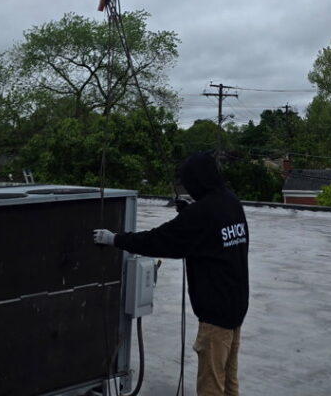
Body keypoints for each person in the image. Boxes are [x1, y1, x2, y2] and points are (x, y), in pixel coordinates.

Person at [93, 151, 249, 396]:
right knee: (229, 380)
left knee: (211, 386)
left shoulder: (202, 215)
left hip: (215, 315)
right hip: (236, 308)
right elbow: (208, 234)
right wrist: (188, 213)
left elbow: (159, 240)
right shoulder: (231, 202)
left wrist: (116, 239)